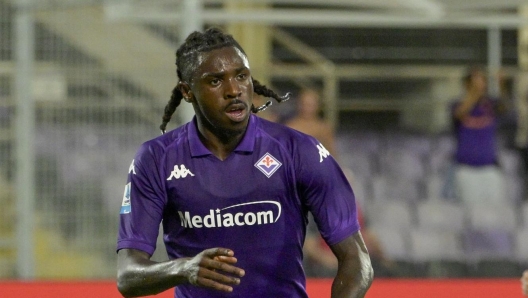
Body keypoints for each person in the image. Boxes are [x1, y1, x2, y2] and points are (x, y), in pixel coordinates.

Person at [116, 28, 373, 298]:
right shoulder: (156, 159)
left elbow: (357, 261)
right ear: (187, 91)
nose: (234, 90)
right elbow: (128, 275)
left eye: (241, 76)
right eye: (215, 81)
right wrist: (182, 269)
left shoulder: (299, 151)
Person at [284, 88, 394, 278]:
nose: (308, 107)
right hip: (297, 186)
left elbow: (331, 156)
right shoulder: (290, 126)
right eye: (305, 102)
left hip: (320, 185)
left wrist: (337, 177)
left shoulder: (323, 127)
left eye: (312, 103)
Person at [450, 66, 508, 205]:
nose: (481, 84)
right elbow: (459, 114)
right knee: (471, 211)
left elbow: (504, 108)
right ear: (467, 84)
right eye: (476, 80)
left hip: (490, 169)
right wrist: (474, 93)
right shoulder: (456, 104)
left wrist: (502, 86)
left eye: (482, 80)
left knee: (495, 211)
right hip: (466, 170)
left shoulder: (490, 105)